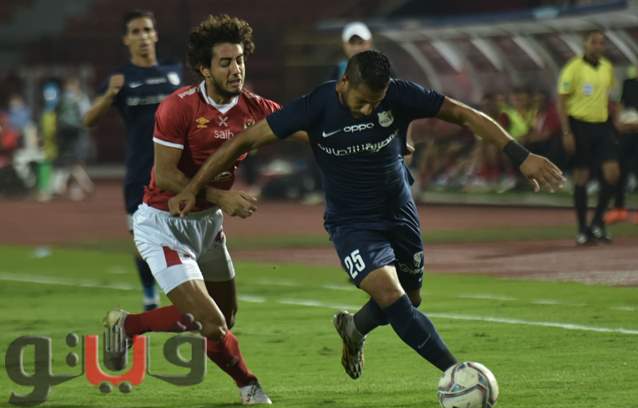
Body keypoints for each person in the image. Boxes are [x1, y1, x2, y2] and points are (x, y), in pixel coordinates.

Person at [168, 50, 564, 381]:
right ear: (343, 83)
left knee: (411, 297)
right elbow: (243, 141)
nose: (368, 109)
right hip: (352, 223)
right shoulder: (314, 106)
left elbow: (464, 114)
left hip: (400, 211)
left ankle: (354, 327)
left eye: (376, 102)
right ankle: (457, 374)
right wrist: (194, 188)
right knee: (391, 295)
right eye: (361, 101)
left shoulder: (400, 95)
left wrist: (521, 156)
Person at [103, 14, 279, 405]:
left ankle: (128, 326)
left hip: (207, 226)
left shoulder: (255, 107)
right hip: (164, 225)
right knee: (212, 323)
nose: (236, 69)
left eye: (239, 60)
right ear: (204, 68)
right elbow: (166, 176)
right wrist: (223, 197)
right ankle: (249, 385)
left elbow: (306, 125)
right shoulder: (179, 107)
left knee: (224, 318)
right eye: (225, 62)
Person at [83, 10, 183, 310]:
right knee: (142, 240)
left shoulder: (175, 71)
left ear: (155, 34)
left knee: (182, 235)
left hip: (178, 169)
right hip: (140, 170)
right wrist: (110, 94)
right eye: (136, 32)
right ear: (126, 39)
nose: (143, 37)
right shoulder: (121, 78)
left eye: (147, 30)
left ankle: (185, 296)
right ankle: (150, 297)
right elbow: (88, 119)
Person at [557, 29, 620, 245]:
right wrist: (567, 132)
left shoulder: (607, 67)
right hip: (579, 125)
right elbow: (562, 100)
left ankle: (597, 223)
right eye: (594, 42)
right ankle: (582, 229)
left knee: (612, 174)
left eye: (601, 42)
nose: (598, 46)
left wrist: (616, 120)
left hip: (602, 125)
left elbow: (610, 97)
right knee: (581, 176)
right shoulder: (573, 67)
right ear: (584, 44)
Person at [606, 69, 638, 225]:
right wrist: (618, 123)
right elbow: (620, 104)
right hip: (627, 132)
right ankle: (619, 209)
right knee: (621, 168)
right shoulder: (628, 83)